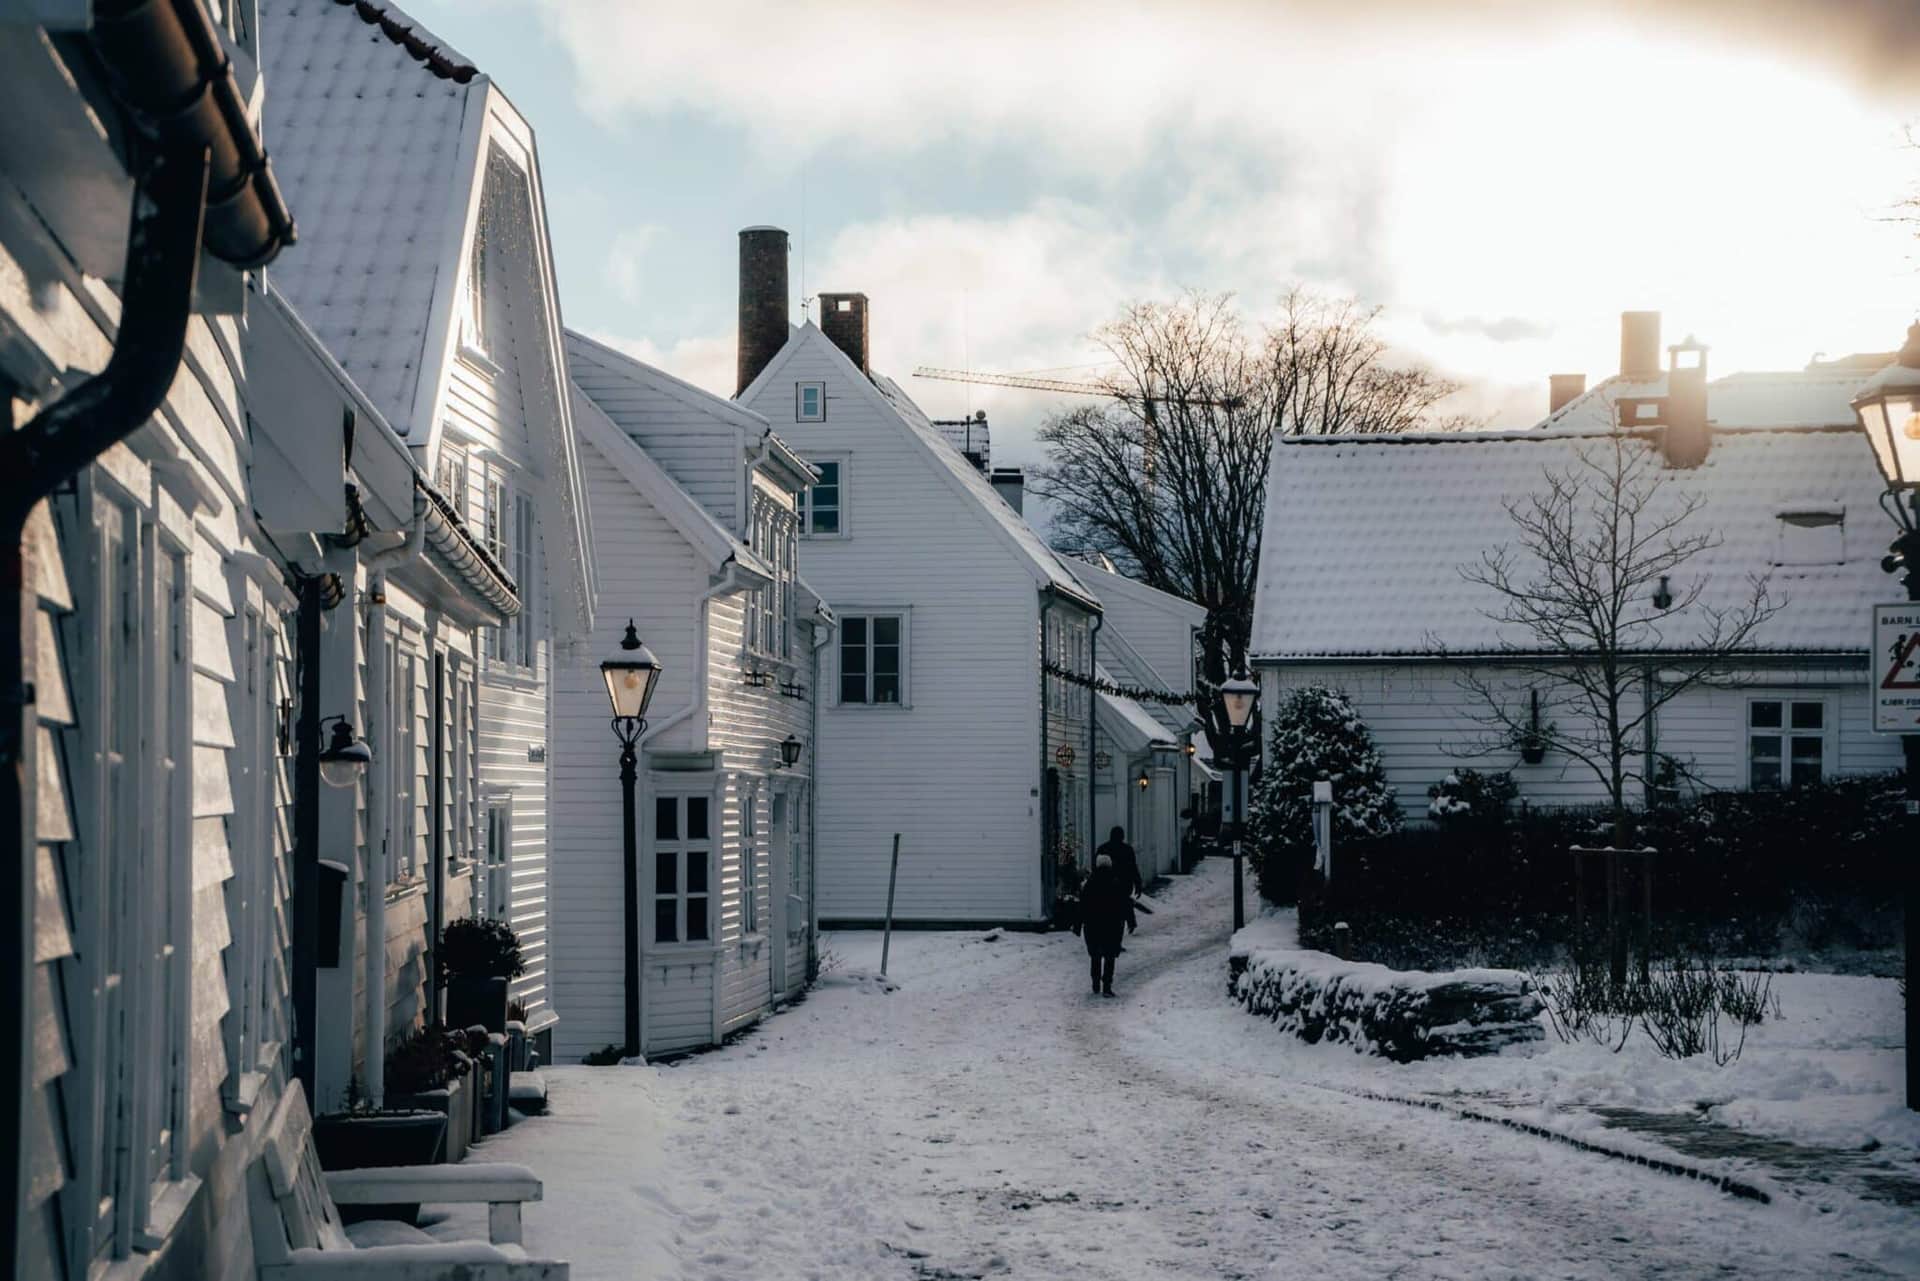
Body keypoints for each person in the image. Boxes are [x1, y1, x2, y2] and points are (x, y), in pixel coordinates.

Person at [1080, 852, 1136, 997]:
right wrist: (1131, 921)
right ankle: (1107, 986)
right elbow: (1125, 903)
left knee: (1095, 956)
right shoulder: (1116, 882)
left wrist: (1077, 924)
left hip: (1093, 925)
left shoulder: (1089, 884)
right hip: (1112, 925)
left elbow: (1082, 906)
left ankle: (1095, 982)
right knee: (1110, 956)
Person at [1094, 826, 1144, 898]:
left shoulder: (1103, 848)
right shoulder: (1128, 850)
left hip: (1107, 886)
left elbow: (1096, 868)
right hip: (1124, 885)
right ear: (1122, 837)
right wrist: (1138, 885)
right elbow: (1133, 868)